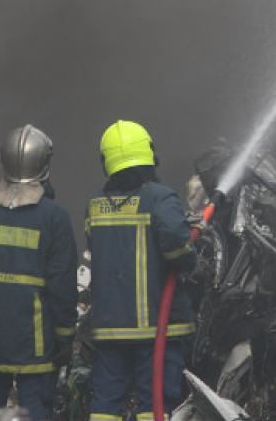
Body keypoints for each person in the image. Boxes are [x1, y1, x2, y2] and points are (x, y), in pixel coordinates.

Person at [0, 125, 78, 421]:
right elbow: (62, 286)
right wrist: (65, 338)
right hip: (35, 348)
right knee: (34, 414)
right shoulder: (54, 218)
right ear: (44, 164)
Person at [85, 120, 198, 420]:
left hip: (110, 328)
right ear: (148, 153)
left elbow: (95, 246)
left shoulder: (95, 205)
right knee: (156, 403)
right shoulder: (160, 198)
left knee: (106, 403)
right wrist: (191, 253)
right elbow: (178, 247)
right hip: (155, 329)